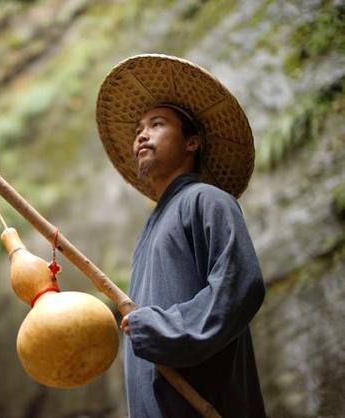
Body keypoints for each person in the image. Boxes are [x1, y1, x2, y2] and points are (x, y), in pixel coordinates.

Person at [95, 54, 267, 418]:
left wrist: (163, 329)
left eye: (157, 124)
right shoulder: (149, 230)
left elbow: (240, 287)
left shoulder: (207, 200)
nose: (141, 134)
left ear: (192, 142)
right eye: (139, 128)